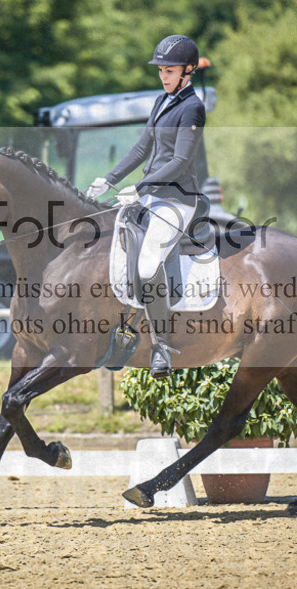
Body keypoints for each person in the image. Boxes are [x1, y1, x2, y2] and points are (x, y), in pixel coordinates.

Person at [85, 34, 206, 378]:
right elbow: (141, 149)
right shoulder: (161, 101)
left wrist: (139, 187)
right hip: (151, 193)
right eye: (161, 71)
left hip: (177, 199)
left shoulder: (191, 108)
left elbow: (181, 161)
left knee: (148, 263)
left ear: (187, 71)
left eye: (169, 71)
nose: (164, 76)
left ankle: (162, 348)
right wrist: (109, 179)